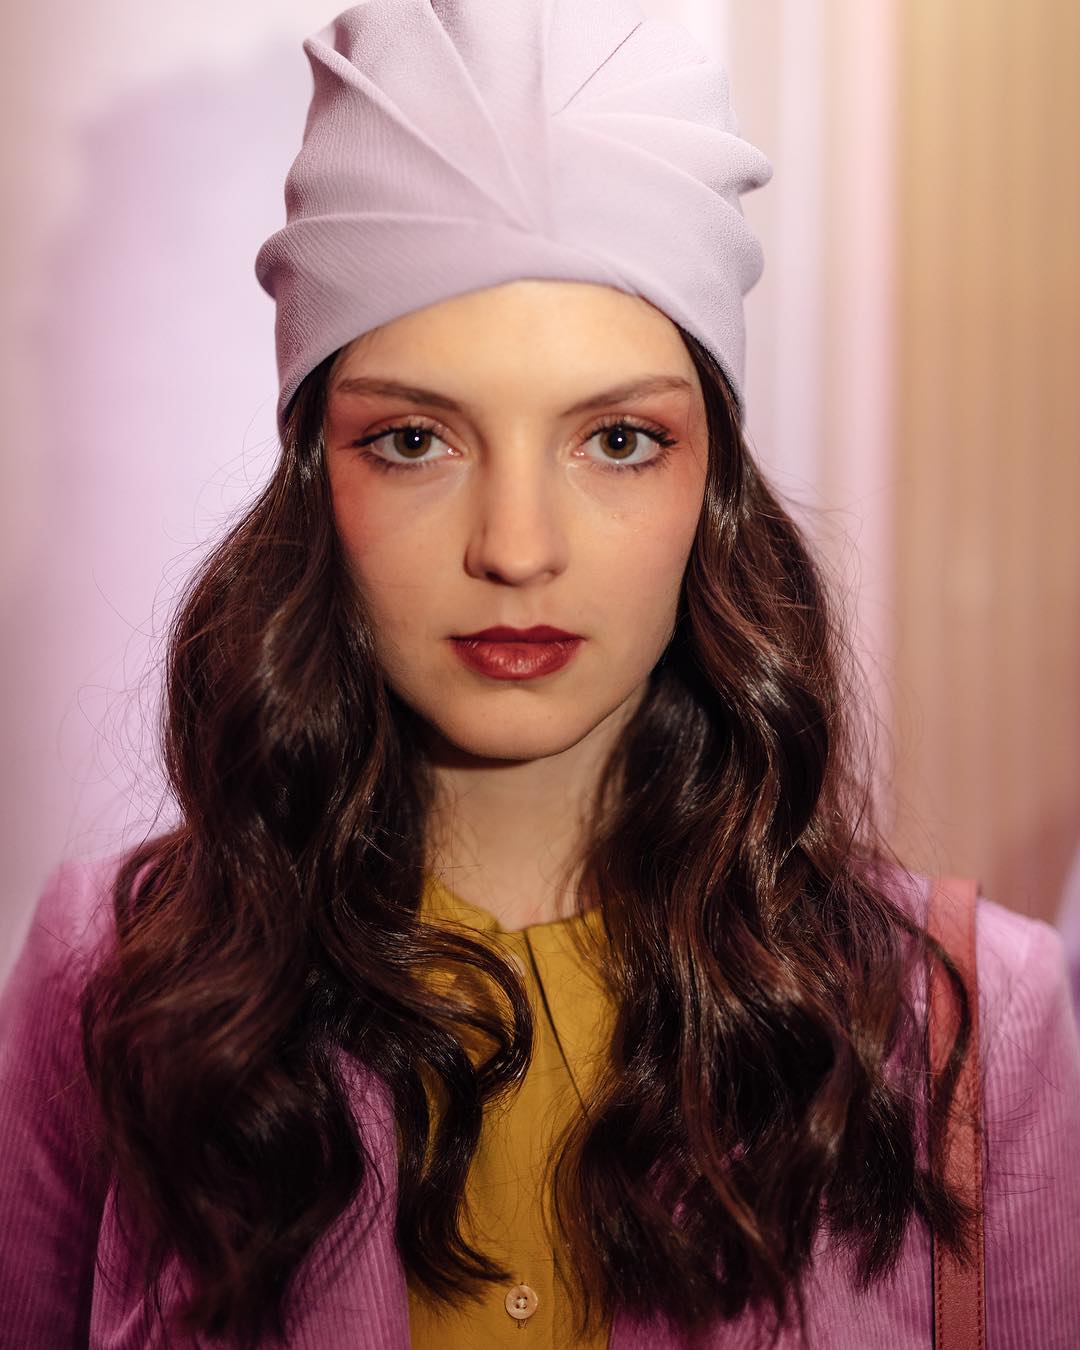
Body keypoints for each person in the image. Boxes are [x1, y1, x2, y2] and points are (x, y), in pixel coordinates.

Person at [2, 2, 1079, 1347]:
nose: (517, 548)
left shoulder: (974, 1020)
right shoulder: (117, 982)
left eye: (617, 439)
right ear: (315, 478)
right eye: (414, 439)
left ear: (715, 485)